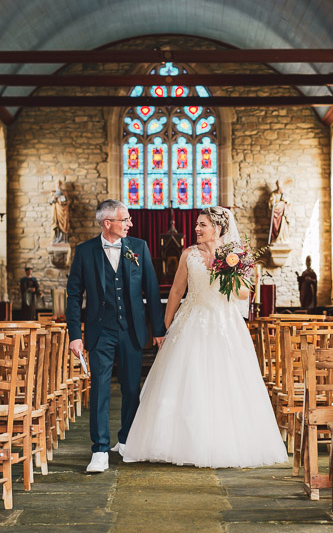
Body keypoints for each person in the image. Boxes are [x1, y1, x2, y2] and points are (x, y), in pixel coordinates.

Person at [122, 206, 287, 468]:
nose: (197, 229)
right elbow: (176, 292)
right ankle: (178, 444)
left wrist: (230, 274)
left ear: (218, 228)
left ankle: (223, 443)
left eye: (203, 225)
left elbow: (244, 295)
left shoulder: (235, 256)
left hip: (225, 323)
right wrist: (163, 329)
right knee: (186, 380)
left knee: (227, 383)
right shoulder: (188, 255)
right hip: (191, 321)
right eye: (197, 224)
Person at [66, 199, 166, 473]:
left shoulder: (139, 247)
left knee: (132, 388)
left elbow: (152, 291)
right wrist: (75, 335)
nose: (130, 224)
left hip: (133, 329)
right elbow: (74, 295)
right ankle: (99, 450)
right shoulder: (85, 252)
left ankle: (126, 440)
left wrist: (158, 331)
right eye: (125, 220)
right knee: (99, 389)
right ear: (107, 223)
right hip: (100, 331)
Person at [268, 180, 289, 244]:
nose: (279, 187)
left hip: (282, 214)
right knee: (275, 226)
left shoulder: (284, 193)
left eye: (280, 185)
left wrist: (284, 201)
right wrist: (273, 204)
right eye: (278, 185)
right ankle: (276, 238)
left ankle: (282, 238)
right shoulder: (274, 193)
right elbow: (271, 203)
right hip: (275, 214)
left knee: (283, 226)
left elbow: (288, 202)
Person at [49, 179, 70, 244]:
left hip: (63, 211)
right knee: (56, 223)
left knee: (64, 224)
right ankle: (56, 238)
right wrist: (54, 198)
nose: (58, 185)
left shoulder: (64, 193)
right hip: (56, 211)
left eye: (59, 184)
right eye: (57, 184)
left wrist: (63, 201)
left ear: (60, 185)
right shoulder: (53, 193)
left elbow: (67, 201)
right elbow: (50, 201)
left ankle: (63, 239)